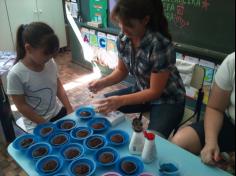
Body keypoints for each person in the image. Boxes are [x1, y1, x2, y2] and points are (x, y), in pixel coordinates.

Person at [89, 0, 186, 138]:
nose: (123, 29)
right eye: (120, 23)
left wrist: (120, 100)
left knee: (153, 139)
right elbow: (121, 71)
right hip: (142, 90)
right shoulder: (124, 39)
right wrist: (102, 82)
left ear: (145, 20)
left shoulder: (159, 44)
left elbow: (154, 92)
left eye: (128, 25)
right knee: (99, 106)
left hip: (168, 99)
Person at [7, 22, 73, 132]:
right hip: (36, 123)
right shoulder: (16, 74)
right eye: (46, 55)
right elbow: (21, 106)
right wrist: (44, 123)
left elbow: (57, 86)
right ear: (29, 49)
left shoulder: (50, 62)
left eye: (51, 55)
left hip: (56, 113)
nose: (50, 59)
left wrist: (69, 108)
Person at [171, 52, 235, 166]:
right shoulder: (232, 62)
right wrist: (211, 142)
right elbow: (215, 108)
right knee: (180, 142)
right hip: (231, 123)